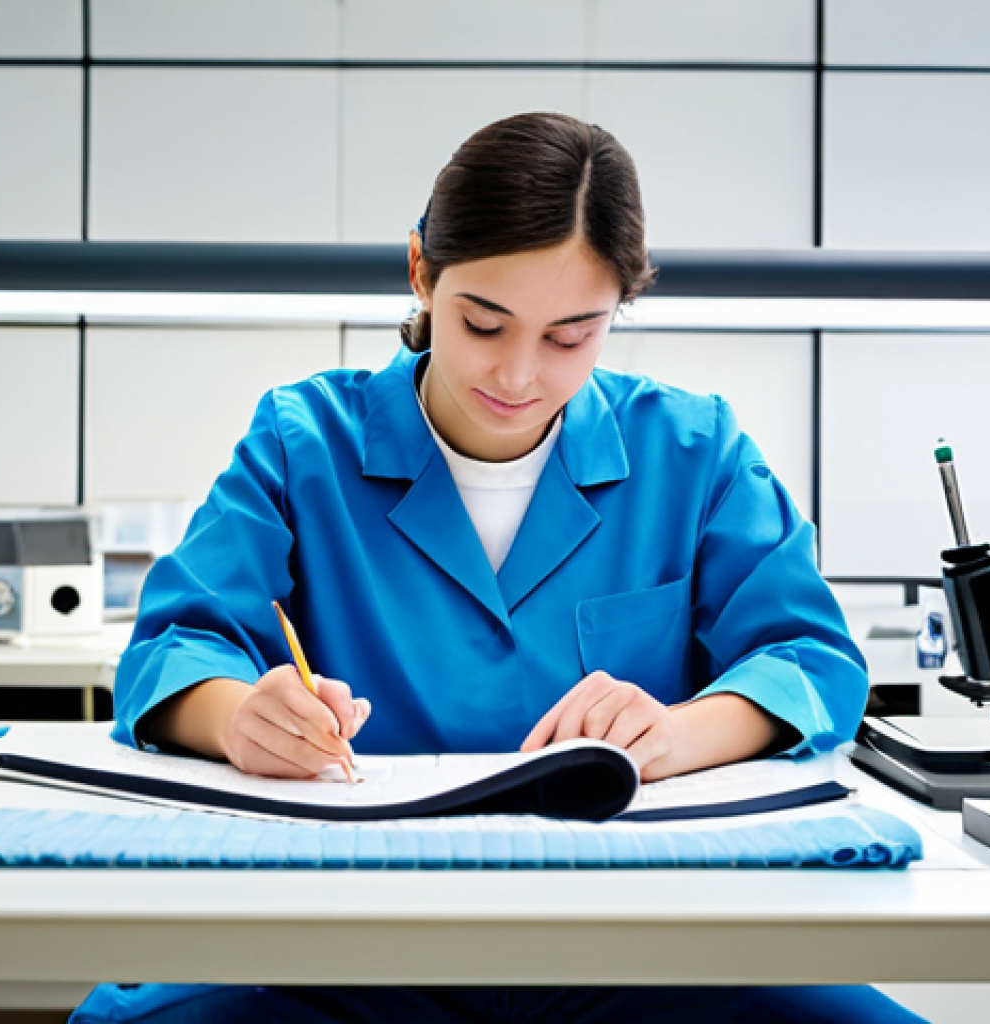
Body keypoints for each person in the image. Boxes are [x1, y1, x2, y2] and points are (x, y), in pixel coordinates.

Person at [72, 113, 923, 1023]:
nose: (518, 375)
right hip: (344, 943)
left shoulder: (694, 448)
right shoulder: (303, 440)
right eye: (484, 323)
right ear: (420, 274)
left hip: (650, 940)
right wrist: (244, 718)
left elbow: (810, 659)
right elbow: (175, 647)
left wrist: (677, 733)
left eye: (571, 336)